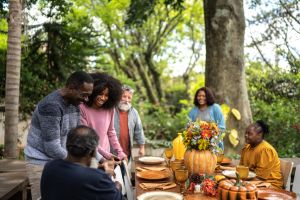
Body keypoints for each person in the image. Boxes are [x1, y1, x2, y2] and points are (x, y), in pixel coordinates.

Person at [24, 71, 94, 200]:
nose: (86, 100)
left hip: (61, 162)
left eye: (88, 96)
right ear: (71, 88)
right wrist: (80, 161)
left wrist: (99, 158)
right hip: (40, 163)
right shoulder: (51, 106)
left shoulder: (75, 104)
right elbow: (52, 148)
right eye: (84, 95)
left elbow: (79, 137)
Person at [40, 125, 124, 200]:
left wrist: (99, 170)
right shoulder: (96, 178)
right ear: (92, 152)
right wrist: (116, 185)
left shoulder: (50, 167)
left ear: (67, 146)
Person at [80, 72, 127, 161]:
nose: (103, 98)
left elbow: (111, 132)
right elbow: (86, 137)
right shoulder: (82, 108)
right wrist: (106, 155)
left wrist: (120, 151)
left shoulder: (110, 109)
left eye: (106, 95)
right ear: (93, 92)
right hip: (89, 154)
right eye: (100, 94)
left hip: (106, 153)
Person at [239, 120, 283, 189]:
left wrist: (241, 182)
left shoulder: (266, 150)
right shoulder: (246, 148)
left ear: (259, 134)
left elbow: (261, 178)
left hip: (269, 184)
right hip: (251, 181)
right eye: (245, 133)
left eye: (249, 134)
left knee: (238, 189)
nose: (246, 135)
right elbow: (241, 169)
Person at [114, 85, 145, 160]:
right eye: (124, 96)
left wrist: (142, 147)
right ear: (118, 96)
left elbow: (139, 130)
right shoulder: (111, 110)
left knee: (125, 172)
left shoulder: (134, 113)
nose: (126, 100)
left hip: (127, 154)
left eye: (129, 98)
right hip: (111, 153)